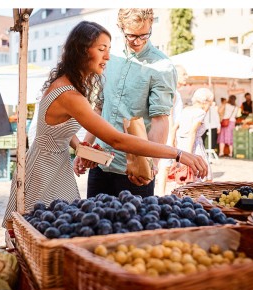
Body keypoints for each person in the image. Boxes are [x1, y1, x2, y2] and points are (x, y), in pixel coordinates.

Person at [1, 21, 207, 227]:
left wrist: (81, 148)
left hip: (53, 166)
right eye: (101, 49)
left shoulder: (67, 84)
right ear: (82, 50)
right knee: (44, 232)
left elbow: (56, 130)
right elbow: (116, 139)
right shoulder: (69, 94)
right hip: (45, 172)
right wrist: (177, 153)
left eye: (108, 49)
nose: (108, 56)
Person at [73, 9, 178, 198]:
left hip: (135, 171)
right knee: (94, 224)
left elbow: (160, 120)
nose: (138, 41)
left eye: (144, 35)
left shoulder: (162, 66)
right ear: (120, 29)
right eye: (131, 36)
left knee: (133, 227)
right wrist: (85, 149)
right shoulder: (110, 58)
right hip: (101, 163)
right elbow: (99, 109)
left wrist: (151, 165)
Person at [155, 64, 188, 195]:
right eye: (184, 74)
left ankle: (160, 193)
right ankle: (161, 194)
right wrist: (171, 139)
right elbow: (169, 116)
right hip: (168, 133)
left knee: (165, 166)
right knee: (165, 166)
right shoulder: (172, 92)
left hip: (169, 132)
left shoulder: (174, 92)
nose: (186, 77)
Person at [171, 88, 214, 182]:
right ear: (205, 102)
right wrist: (189, 154)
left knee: (185, 177)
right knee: (203, 176)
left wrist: (173, 144)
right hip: (193, 145)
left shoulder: (185, 110)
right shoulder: (200, 113)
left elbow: (174, 128)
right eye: (210, 103)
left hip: (180, 144)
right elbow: (192, 132)